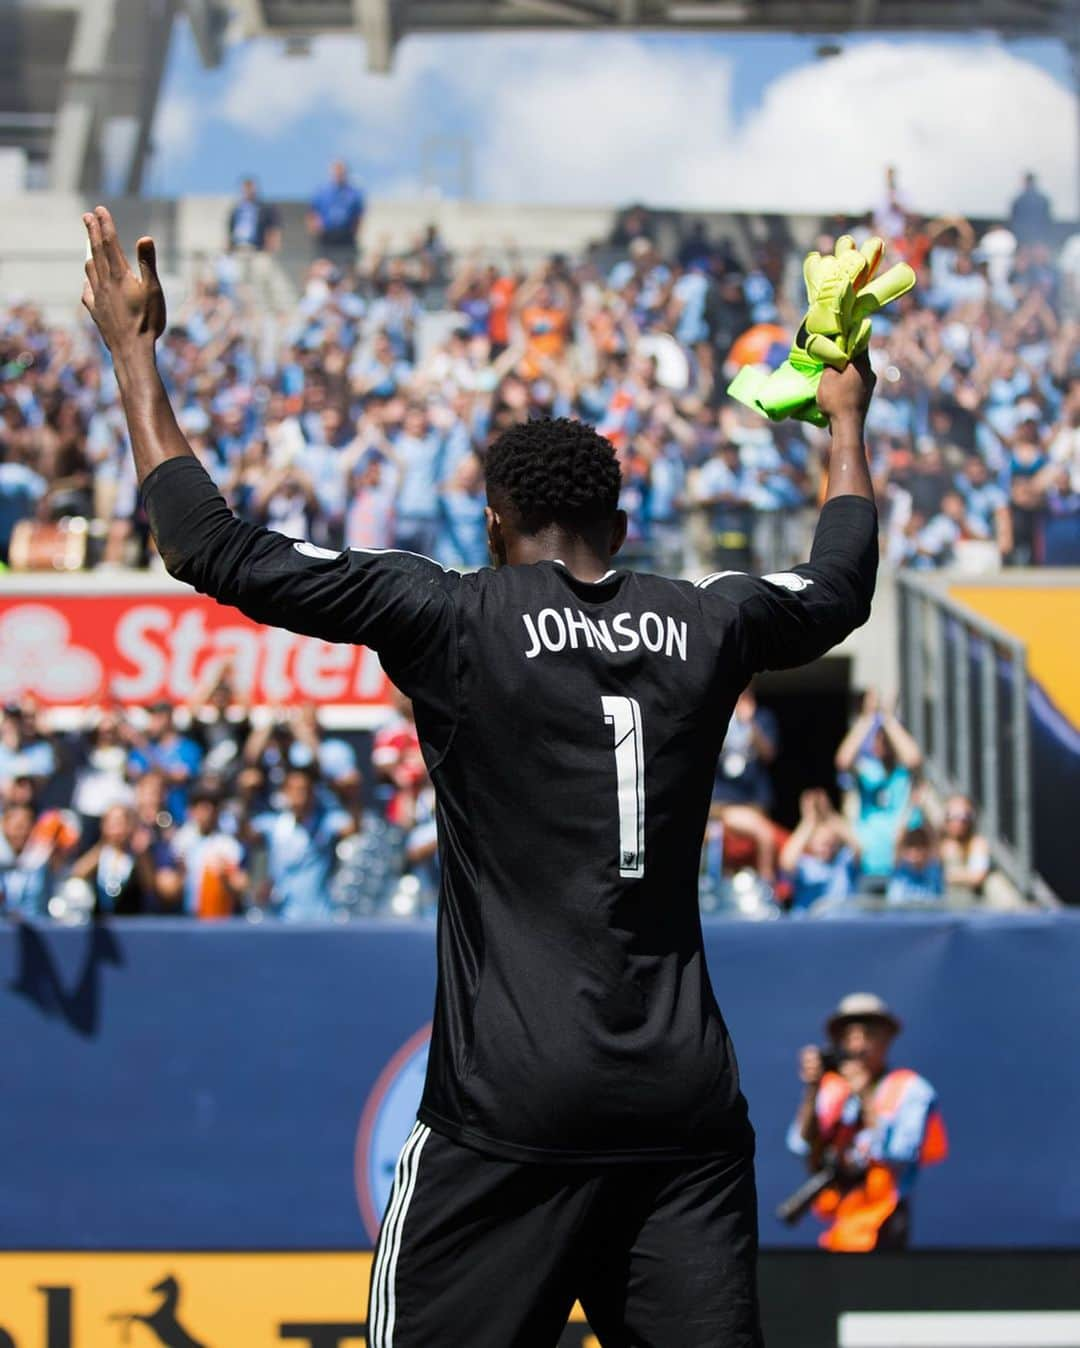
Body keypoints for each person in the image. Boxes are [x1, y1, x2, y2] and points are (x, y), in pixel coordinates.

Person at [81, 203, 882, 1348]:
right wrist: (845, 414)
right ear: (621, 516)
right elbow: (840, 581)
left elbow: (206, 543)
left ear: (493, 519)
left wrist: (132, 348)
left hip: (511, 1111)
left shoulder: (451, 613)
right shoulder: (712, 620)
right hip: (683, 1108)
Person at [788, 993, 947, 1251]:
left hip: (885, 1223)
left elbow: (899, 1153)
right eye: (849, 1036)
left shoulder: (911, 1090)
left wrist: (866, 1098)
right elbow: (800, 1145)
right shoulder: (831, 1090)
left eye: (868, 1034)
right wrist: (812, 1089)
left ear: (887, 1039)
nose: (858, 1046)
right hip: (841, 1226)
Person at [834, 689, 922, 890]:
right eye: (879, 739)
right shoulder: (868, 770)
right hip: (866, 866)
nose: (883, 743)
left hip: (901, 869)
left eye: (887, 740)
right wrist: (867, 718)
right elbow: (843, 760)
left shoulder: (902, 774)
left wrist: (889, 719)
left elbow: (914, 758)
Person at [779, 788, 860, 912]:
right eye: (822, 844)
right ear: (811, 843)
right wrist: (808, 821)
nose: (826, 848)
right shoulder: (805, 865)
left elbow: (857, 846)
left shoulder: (843, 863)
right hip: (809, 926)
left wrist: (829, 813)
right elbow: (786, 862)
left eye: (830, 843)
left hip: (842, 925)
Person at [307, 159, 365, 270]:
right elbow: (312, 214)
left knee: (348, 266)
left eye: (341, 171)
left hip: (346, 236)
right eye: (336, 170)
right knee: (323, 267)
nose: (338, 173)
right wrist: (316, 230)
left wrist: (353, 232)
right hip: (326, 236)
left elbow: (359, 216)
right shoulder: (322, 191)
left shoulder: (354, 193)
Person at [1009, 172, 1053, 248]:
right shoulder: (1043, 199)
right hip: (1039, 235)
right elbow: (1047, 219)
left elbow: (1014, 219)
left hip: (1023, 236)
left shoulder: (1019, 199)